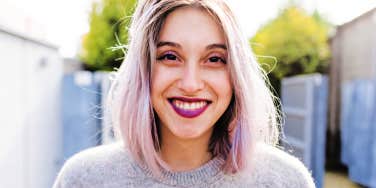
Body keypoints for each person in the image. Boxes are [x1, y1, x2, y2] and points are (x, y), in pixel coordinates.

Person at [53, 0, 315, 187]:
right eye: (170, 56)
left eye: (214, 59)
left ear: (236, 73)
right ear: (144, 69)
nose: (191, 84)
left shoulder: (284, 180)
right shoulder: (84, 179)